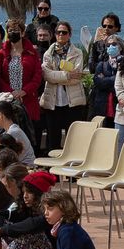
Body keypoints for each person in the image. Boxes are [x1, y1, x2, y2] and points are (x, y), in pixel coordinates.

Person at [39, 21, 87, 155]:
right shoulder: (48, 53)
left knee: (74, 140)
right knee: (52, 140)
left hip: (72, 103)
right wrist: (66, 75)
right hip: (53, 102)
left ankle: (73, 173)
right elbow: (47, 75)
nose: (61, 35)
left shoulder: (77, 53)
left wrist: (57, 77)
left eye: (64, 32)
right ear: (54, 34)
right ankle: (53, 174)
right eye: (58, 32)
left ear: (69, 35)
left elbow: (76, 77)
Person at [0, 18, 43, 130]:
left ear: (22, 33)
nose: (13, 33)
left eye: (16, 30)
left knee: (30, 136)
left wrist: (24, 91)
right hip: (8, 100)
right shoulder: (0, 54)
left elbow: (37, 76)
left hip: (28, 100)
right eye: (10, 30)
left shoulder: (32, 53)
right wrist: (11, 93)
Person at [88, 16, 122, 125]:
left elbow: (121, 74)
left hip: (116, 94)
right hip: (99, 93)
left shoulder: (120, 44)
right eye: (104, 26)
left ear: (116, 28)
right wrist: (103, 49)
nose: (106, 29)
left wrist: (105, 77)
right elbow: (92, 67)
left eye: (110, 26)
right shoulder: (96, 45)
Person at [0, 100, 34, 164]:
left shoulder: (13, 132)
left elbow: (5, 157)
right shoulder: (10, 130)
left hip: (25, 166)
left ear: (1, 115)